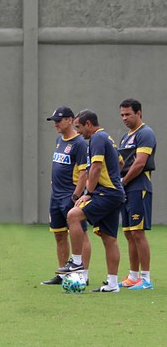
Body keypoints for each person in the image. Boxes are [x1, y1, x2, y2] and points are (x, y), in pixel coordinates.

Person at [61, 109, 125, 293]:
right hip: (115, 193)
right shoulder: (108, 138)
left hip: (106, 193)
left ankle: (76, 262)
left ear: (88, 124)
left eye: (79, 127)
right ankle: (112, 284)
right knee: (109, 238)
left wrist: (89, 192)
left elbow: (96, 167)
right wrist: (112, 179)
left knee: (73, 215)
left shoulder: (97, 138)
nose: (78, 131)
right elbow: (120, 163)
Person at [41, 106, 90, 285]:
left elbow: (84, 173)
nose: (55, 124)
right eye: (54, 121)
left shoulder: (79, 143)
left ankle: (83, 274)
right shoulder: (58, 140)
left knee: (81, 234)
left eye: (58, 120)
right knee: (59, 234)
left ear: (70, 120)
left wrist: (76, 197)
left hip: (70, 196)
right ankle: (63, 274)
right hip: (56, 196)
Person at [117, 98, 156, 290]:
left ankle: (146, 279)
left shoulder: (145, 133)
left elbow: (140, 163)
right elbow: (122, 163)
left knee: (138, 232)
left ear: (139, 113)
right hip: (125, 189)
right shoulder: (126, 137)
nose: (124, 118)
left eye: (128, 114)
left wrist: (122, 182)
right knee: (128, 233)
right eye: (122, 115)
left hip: (138, 187)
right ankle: (133, 276)